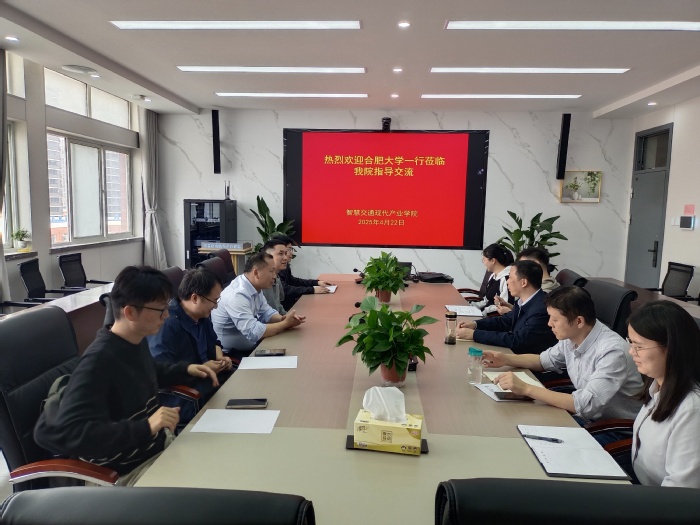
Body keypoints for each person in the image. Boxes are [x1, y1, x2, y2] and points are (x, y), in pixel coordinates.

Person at [34, 266, 218, 486]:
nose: (167, 315)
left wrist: (186, 369)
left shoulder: (134, 340)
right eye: (160, 309)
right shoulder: (98, 362)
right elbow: (66, 433)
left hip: (157, 448)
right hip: (124, 473)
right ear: (130, 312)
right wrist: (146, 427)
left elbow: (149, 370)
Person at [482, 285, 643, 423]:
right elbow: (543, 360)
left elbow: (585, 405)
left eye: (555, 319)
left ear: (579, 321)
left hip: (611, 428)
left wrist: (526, 389)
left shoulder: (612, 351)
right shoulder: (572, 336)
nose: (549, 324)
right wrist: (505, 359)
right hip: (586, 415)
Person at [627, 301, 700, 488]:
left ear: (671, 348)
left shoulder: (692, 410)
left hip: (657, 500)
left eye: (638, 346)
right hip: (636, 479)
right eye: (630, 342)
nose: (631, 352)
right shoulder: (657, 385)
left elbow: (680, 490)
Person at [148, 267, 233, 423]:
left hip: (210, 381)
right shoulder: (167, 325)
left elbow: (215, 342)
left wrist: (220, 359)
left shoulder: (202, 316)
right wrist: (199, 369)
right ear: (194, 298)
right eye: (214, 301)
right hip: (188, 394)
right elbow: (161, 372)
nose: (216, 306)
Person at [211, 251, 306, 358]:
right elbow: (254, 332)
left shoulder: (254, 286)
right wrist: (285, 324)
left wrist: (283, 319)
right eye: (271, 271)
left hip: (254, 346)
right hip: (233, 355)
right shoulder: (236, 296)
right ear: (256, 273)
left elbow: (266, 312)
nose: (275, 276)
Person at [457, 260, 557, 354]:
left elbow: (518, 340)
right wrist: (475, 324)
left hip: (528, 361)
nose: (507, 281)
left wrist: (474, 334)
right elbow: (505, 321)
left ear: (523, 283)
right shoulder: (523, 301)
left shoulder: (542, 309)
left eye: (510, 278)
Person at [273, 235, 335, 311]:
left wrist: (317, 283)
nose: (291, 253)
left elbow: (293, 281)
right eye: (289, 249)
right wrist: (312, 290)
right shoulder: (272, 271)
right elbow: (285, 289)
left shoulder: (284, 266)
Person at [495, 247, 559, 314]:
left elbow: (533, 314)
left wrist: (509, 313)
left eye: (523, 264)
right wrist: (510, 307)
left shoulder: (546, 293)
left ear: (535, 264)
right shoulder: (541, 285)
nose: (520, 268)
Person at [470, 243, 514, 315]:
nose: (483, 263)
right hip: (486, 313)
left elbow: (504, 306)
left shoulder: (506, 278)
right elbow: (487, 300)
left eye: (484, 260)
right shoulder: (493, 275)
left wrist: (483, 313)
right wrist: (473, 306)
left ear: (493, 261)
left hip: (494, 317)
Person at [260, 239, 288, 315]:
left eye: (285, 254)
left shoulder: (276, 276)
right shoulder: (261, 281)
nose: (285, 258)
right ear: (267, 256)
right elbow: (265, 315)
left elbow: (278, 306)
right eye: (281, 254)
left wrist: (287, 317)